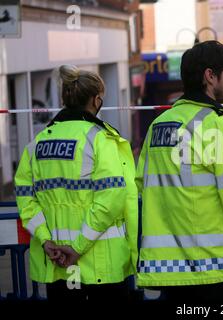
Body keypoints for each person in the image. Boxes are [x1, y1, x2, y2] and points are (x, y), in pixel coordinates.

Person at [135, 40, 223, 301]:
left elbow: (143, 185)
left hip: (171, 272)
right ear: (210, 76)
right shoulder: (221, 126)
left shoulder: (159, 125)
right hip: (217, 272)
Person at [14, 65, 138, 301]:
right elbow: (111, 199)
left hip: (59, 264)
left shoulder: (38, 142)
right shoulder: (99, 139)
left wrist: (46, 239)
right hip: (101, 266)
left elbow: (24, 197)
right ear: (96, 99)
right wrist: (78, 246)